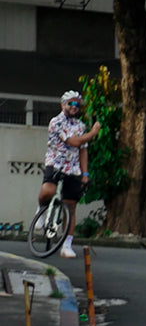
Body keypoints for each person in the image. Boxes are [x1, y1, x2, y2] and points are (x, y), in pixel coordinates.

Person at [37, 90, 101, 259]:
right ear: (63, 104)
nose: (74, 107)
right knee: (48, 191)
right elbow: (73, 141)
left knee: (70, 207)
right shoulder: (56, 122)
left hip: (73, 168)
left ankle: (66, 246)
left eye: (77, 104)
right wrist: (93, 134)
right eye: (71, 103)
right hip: (56, 163)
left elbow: (82, 150)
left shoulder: (80, 126)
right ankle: (41, 209)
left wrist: (85, 173)